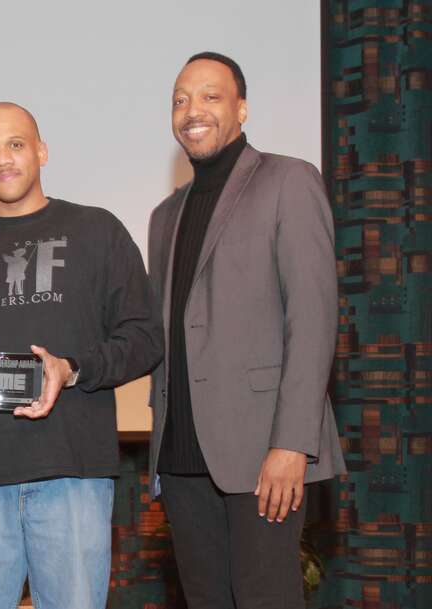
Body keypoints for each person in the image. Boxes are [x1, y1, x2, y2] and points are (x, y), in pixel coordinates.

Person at [0, 102, 163, 609]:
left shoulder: (98, 231)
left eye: (15, 144)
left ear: (41, 151)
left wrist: (73, 370)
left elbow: (145, 335)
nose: (3, 159)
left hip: (73, 474)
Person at [147, 52, 346, 609]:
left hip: (264, 452)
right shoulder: (164, 216)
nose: (193, 110)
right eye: (180, 100)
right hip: (181, 458)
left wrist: (292, 444)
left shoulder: (289, 180)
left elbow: (313, 318)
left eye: (210, 96)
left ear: (242, 109)